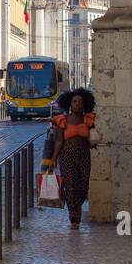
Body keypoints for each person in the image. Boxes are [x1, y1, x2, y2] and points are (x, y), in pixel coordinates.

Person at [50, 87, 97, 228]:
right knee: (71, 186)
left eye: (80, 102)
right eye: (75, 101)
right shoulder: (62, 120)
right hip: (66, 156)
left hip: (83, 156)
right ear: (70, 104)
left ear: (84, 104)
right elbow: (59, 141)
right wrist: (53, 160)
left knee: (83, 187)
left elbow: (90, 139)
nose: (78, 104)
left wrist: (93, 143)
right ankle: (74, 218)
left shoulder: (88, 120)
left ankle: (75, 205)